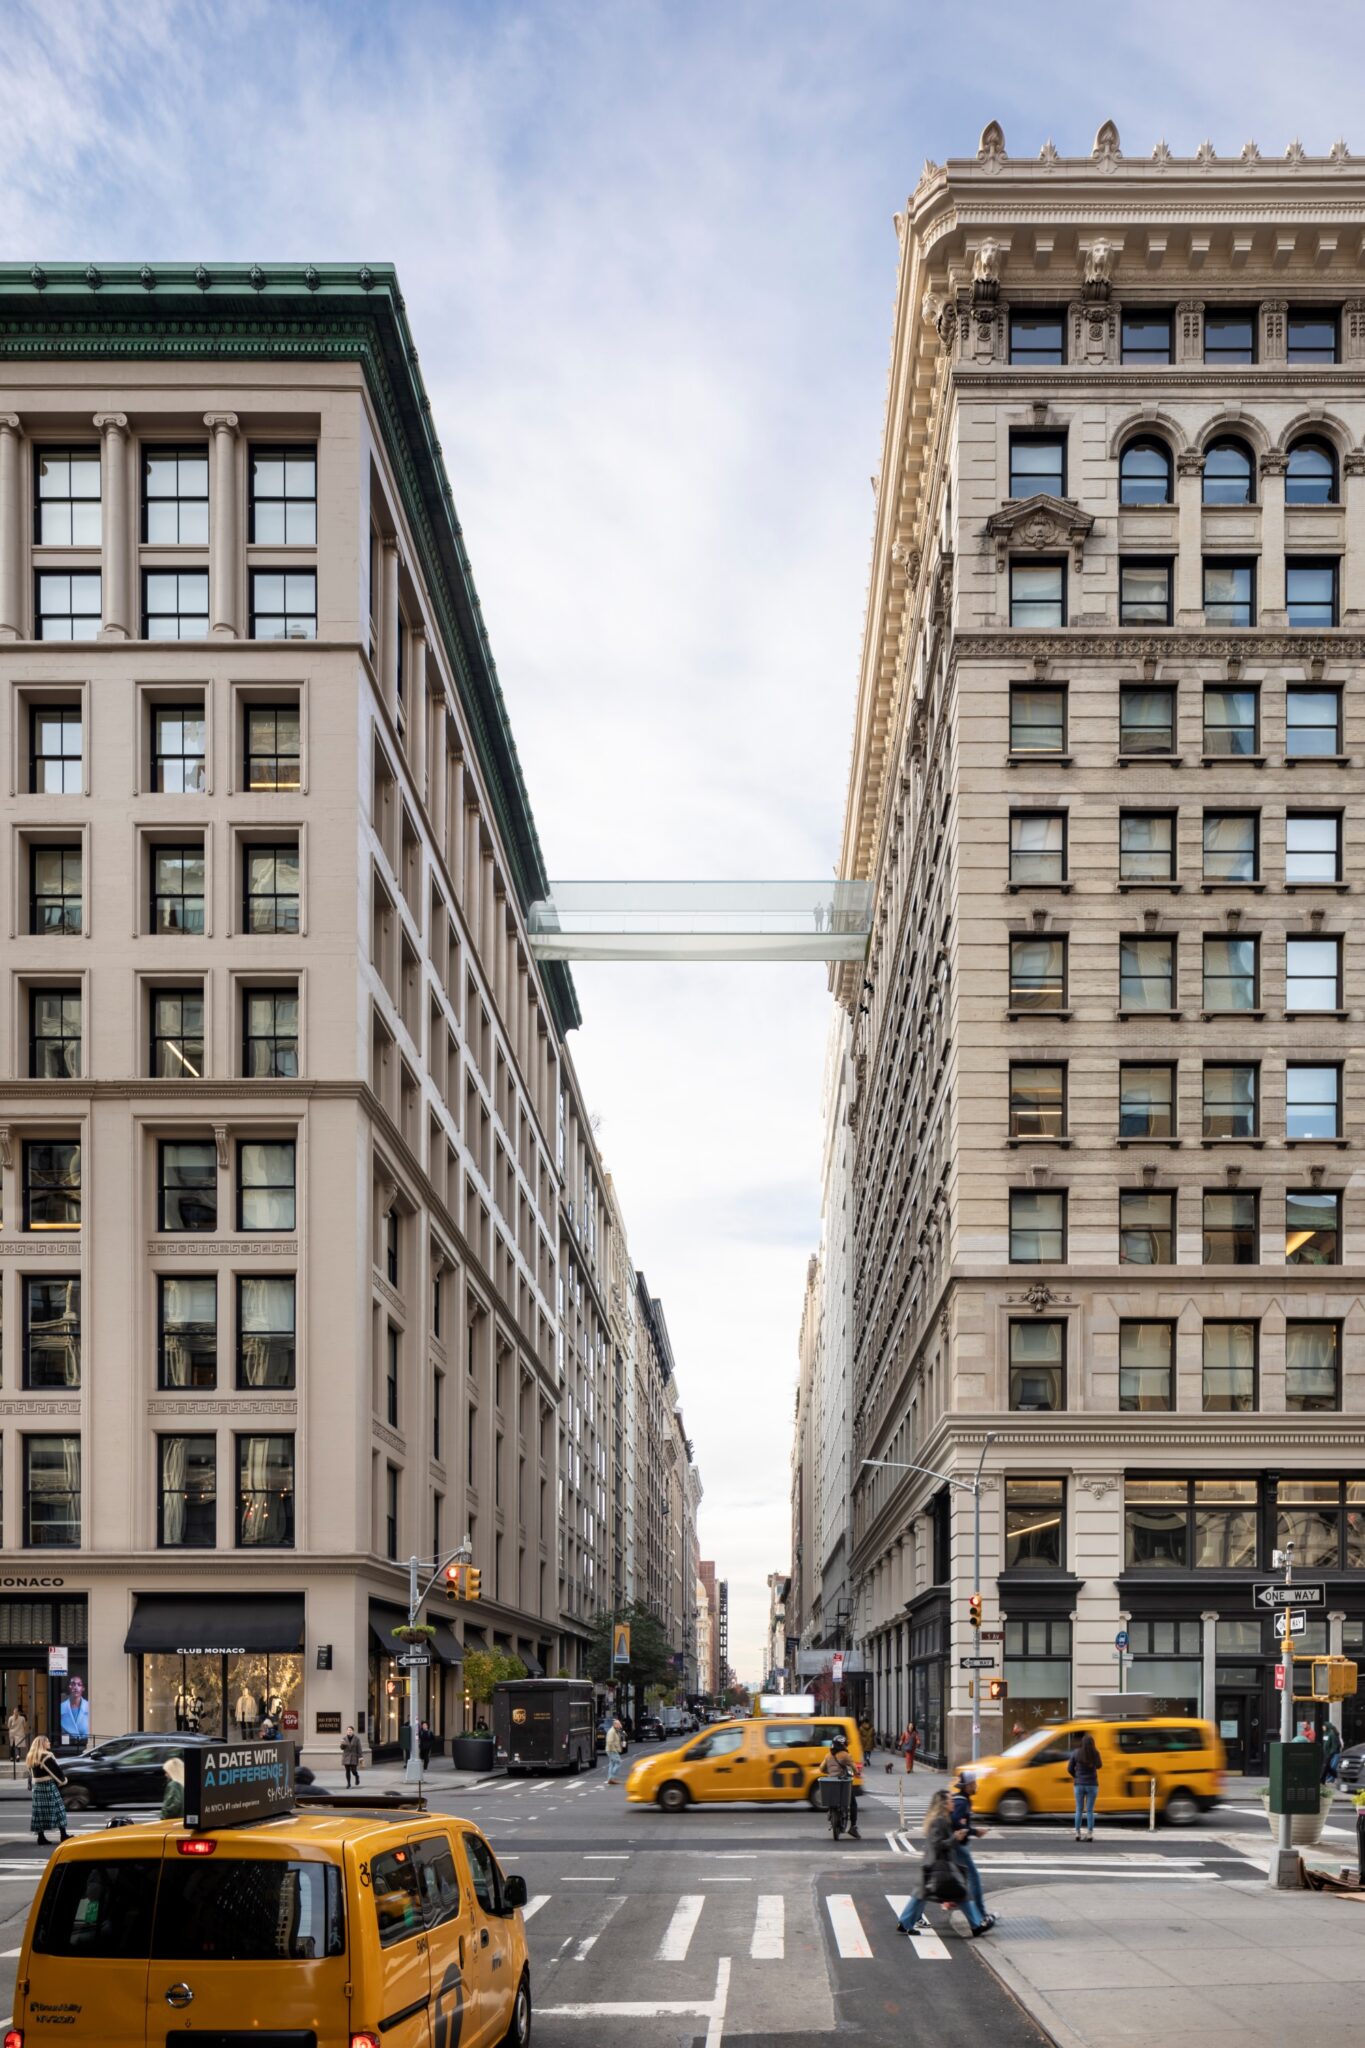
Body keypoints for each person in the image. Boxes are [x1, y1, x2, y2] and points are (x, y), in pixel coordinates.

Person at [896, 1788, 988, 1936]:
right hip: (937, 1865)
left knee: (923, 1895)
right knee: (959, 1893)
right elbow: (937, 1844)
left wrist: (965, 1833)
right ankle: (976, 1925)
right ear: (944, 1804)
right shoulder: (939, 1821)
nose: (953, 1803)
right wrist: (955, 1838)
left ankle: (905, 1923)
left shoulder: (943, 1819)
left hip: (936, 1864)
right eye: (951, 1800)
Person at [949, 1769, 994, 1927]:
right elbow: (955, 1822)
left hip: (957, 1846)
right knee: (973, 1878)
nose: (976, 1785)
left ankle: (953, 1902)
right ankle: (981, 1914)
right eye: (974, 1783)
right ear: (967, 1785)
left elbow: (960, 1822)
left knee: (957, 1881)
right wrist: (974, 1831)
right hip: (959, 1847)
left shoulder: (963, 1800)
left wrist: (972, 1830)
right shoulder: (962, 1801)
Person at [27, 1736, 69, 1847]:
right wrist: (63, 1781)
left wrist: (31, 1785)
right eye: (47, 1741)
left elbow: (30, 1775)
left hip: (37, 1788)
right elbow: (56, 1771)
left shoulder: (32, 1756)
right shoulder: (46, 1756)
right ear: (42, 1743)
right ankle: (63, 1835)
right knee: (59, 1810)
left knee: (39, 1813)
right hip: (48, 1786)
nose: (49, 1743)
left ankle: (41, 1837)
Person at [819, 1737, 861, 1839]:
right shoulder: (845, 1755)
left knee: (831, 1798)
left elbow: (821, 1769)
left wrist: (830, 1773)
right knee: (853, 1803)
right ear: (842, 1745)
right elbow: (853, 1767)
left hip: (830, 1783)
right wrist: (857, 1773)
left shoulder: (828, 1756)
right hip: (843, 1783)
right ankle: (853, 1827)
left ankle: (830, 1813)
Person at [1067, 1730, 1102, 1841]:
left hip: (1079, 1784)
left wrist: (1076, 1776)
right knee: (1090, 1810)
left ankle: (1077, 1833)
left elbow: (1069, 1768)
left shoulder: (1076, 1753)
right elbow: (1099, 1766)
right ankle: (1090, 1834)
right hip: (1092, 1784)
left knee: (1079, 1809)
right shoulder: (1095, 1753)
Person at [60, 1677, 90, 1750]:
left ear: (83, 1688)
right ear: (69, 1687)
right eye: (73, 1684)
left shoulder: (89, 1707)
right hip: (67, 1747)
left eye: (79, 1685)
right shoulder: (61, 1707)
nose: (76, 1687)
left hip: (84, 1746)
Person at [604, 1716, 625, 1786]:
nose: (620, 1726)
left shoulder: (615, 1731)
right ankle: (612, 1778)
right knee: (618, 1762)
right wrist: (614, 1750)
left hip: (611, 1750)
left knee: (612, 1764)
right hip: (612, 1750)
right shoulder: (611, 1732)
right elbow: (610, 1742)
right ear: (615, 1725)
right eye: (619, 1725)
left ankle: (610, 1778)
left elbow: (616, 1740)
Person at [1321, 1718, 1343, 1786]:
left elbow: (1334, 1746)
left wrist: (1330, 1754)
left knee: (1326, 1767)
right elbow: (1325, 1743)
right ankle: (1339, 1777)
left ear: (1327, 1726)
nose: (1322, 1727)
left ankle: (1322, 1780)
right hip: (1326, 1753)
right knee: (1328, 1767)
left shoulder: (1332, 1734)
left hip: (1331, 1754)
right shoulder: (1325, 1733)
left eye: (1324, 1726)